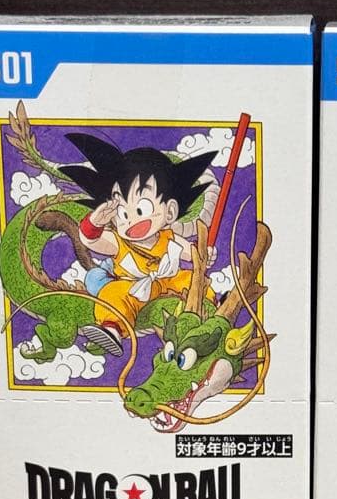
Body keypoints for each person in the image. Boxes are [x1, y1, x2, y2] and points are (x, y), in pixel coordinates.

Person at [59, 134, 219, 354]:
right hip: (132, 288)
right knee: (113, 292)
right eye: (123, 213)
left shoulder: (169, 237)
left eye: (141, 209)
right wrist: (95, 222)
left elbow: (192, 254)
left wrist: (203, 256)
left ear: (170, 212)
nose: (131, 220)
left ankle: (213, 310)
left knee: (192, 279)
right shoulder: (118, 242)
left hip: (168, 282)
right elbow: (90, 239)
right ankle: (112, 329)